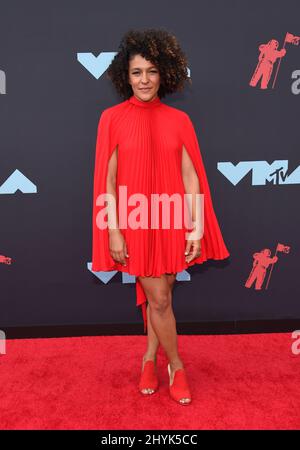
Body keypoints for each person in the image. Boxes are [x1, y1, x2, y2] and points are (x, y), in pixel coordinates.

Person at [92, 28, 230, 405]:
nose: (144, 80)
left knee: (160, 298)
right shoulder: (112, 119)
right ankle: (178, 365)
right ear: (126, 76)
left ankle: (148, 358)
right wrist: (114, 231)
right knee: (161, 301)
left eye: (151, 71)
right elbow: (107, 180)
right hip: (135, 222)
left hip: (171, 220)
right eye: (137, 72)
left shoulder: (179, 120)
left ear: (163, 73)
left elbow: (192, 179)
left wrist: (196, 228)